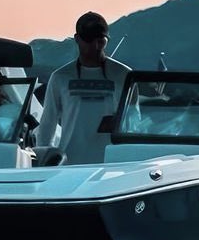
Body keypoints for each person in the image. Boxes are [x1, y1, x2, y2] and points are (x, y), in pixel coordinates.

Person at [36, 11, 130, 165]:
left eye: (100, 41)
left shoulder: (124, 75)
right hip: (70, 165)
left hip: (111, 165)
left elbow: (135, 121)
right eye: (89, 40)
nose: (95, 46)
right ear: (77, 39)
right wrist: (43, 162)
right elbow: (47, 124)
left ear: (106, 41)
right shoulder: (60, 77)